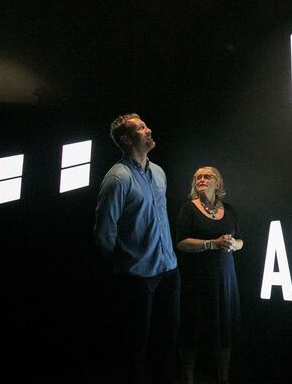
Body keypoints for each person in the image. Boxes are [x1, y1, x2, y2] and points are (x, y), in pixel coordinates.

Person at [93, 113, 180, 384]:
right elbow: (104, 231)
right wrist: (126, 261)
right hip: (138, 277)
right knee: (136, 347)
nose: (149, 130)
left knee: (167, 340)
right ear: (127, 140)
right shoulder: (117, 179)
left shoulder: (159, 173)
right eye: (142, 128)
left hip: (169, 271)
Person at [176, 166, 244, 384]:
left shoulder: (230, 210)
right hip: (197, 280)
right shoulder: (188, 209)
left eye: (207, 176)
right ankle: (188, 378)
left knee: (225, 328)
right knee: (192, 329)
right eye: (197, 177)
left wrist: (234, 244)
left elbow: (241, 240)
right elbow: (182, 242)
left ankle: (223, 378)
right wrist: (211, 244)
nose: (201, 179)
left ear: (218, 184)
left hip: (225, 279)